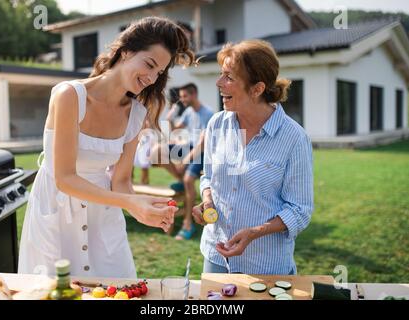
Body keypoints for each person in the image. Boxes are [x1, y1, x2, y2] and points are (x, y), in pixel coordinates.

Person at [18, 17, 194, 277]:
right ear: (126, 51)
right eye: (149, 64)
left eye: (159, 72)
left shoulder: (136, 114)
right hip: (56, 210)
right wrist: (130, 202)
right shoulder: (69, 96)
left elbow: (121, 180)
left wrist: (143, 210)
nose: (151, 77)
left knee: (117, 286)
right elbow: (65, 178)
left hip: (103, 214)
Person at [192, 40, 314, 274]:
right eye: (221, 74)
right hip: (215, 256)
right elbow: (208, 176)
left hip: (265, 265)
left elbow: (300, 210)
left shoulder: (294, 138)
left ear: (257, 89)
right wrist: (207, 200)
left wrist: (255, 232)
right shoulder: (216, 123)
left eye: (229, 77)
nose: (219, 83)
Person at [153, 83, 214, 240]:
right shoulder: (188, 111)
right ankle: (180, 179)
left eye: (184, 96)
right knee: (158, 151)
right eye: (180, 96)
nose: (182, 99)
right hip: (189, 146)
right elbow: (175, 130)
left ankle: (188, 224)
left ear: (193, 94)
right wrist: (170, 118)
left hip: (203, 151)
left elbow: (204, 143)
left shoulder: (208, 114)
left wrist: (186, 159)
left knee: (188, 180)